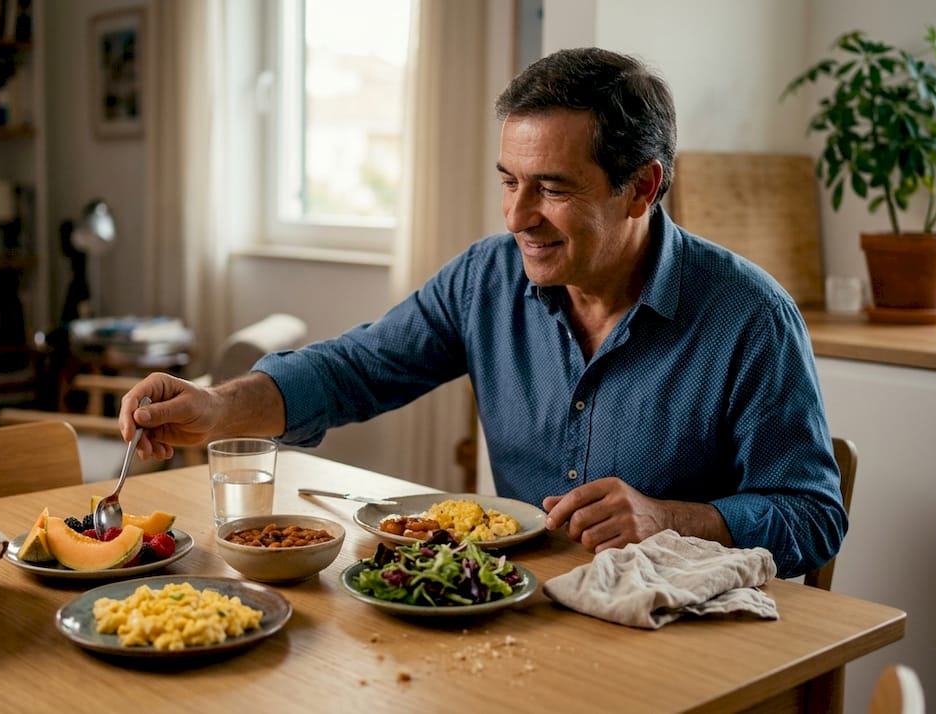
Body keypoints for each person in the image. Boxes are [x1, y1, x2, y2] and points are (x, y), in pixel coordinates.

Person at [119, 47, 847, 578]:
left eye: (551, 189)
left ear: (641, 188)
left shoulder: (750, 317)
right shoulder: (486, 279)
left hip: (689, 638)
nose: (518, 217)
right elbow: (352, 370)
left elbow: (813, 516)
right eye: (508, 181)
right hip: (528, 612)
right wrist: (218, 407)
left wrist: (670, 518)